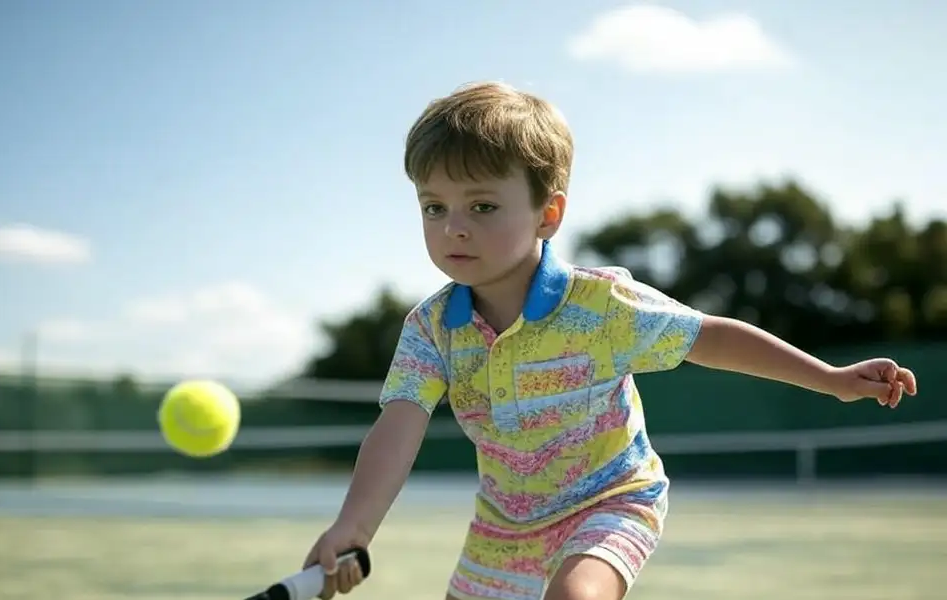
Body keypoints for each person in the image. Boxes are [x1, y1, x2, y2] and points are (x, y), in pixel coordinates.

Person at [300, 81, 919, 600]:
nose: (452, 228)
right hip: (504, 523)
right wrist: (353, 527)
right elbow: (398, 425)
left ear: (549, 214)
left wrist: (832, 380)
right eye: (433, 207)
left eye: (482, 206)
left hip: (612, 499)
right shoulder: (431, 329)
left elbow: (712, 337)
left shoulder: (601, 305)